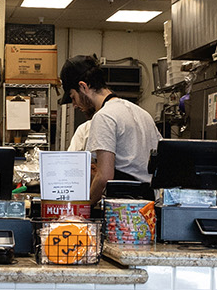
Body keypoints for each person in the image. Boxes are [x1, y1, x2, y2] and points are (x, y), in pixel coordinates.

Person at [58, 54, 160, 203]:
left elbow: (104, 177)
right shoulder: (141, 113)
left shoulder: (104, 116)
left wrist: (82, 208)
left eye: (73, 97)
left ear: (83, 86)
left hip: (124, 208)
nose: (74, 105)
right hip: (149, 206)